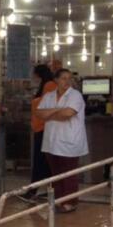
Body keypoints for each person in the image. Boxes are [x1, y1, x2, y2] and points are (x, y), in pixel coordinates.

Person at [35, 68, 89, 213]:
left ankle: (70, 202)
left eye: (69, 78)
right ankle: (58, 201)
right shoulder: (49, 95)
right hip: (52, 140)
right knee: (55, 174)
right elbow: (39, 113)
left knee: (68, 173)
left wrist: (50, 112)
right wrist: (56, 111)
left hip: (69, 141)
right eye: (64, 78)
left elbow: (68, 113)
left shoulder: (75, 95)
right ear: (56, 80)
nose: (67, 81)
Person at [25, 64, 57, 200]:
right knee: (44, 162)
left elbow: (46, 106)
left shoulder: (49, 86)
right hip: (42, 128)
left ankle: (33, 191)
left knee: (41, 161)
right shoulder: (47, 86)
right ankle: (50, 189)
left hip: (45, 129)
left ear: (38, 75)